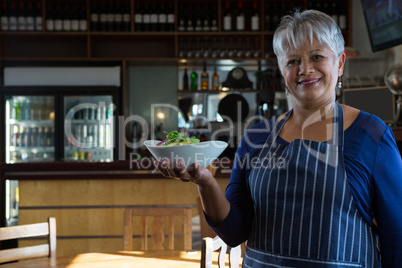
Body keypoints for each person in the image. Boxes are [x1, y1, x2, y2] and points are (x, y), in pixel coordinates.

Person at [155, 9, 402, 267]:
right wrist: (205, 183)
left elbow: (397, 239)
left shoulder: (371, 135)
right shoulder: (256, 138)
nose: (305, 69)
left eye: (316, 57)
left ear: (340, 63)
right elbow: (234, 232)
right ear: (282, 70)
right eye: (293, 61)